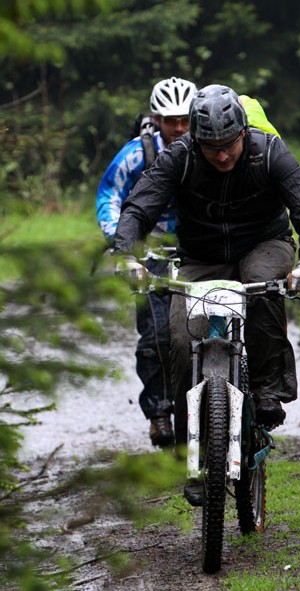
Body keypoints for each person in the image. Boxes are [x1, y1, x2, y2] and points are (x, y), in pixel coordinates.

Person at [114, 84, 300, 502]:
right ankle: (189, 452)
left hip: (264, 244)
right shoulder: (179, 157)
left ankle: (268, 389)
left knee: (263, 287)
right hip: (200, 256)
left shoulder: (269, 151)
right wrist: (126, 255)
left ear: (242, 134)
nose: (220, 155)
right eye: (210, 146)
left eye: (228, 145)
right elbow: (139, 207)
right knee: (179, 338)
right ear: (196, 139)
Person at [96, 76, 197, 448]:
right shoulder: (135, 155)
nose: (179, 127)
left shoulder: (208, 147)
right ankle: (158, 411)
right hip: (149, 253)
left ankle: (212, 406)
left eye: (185, 118)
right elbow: (110, 195)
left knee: (203, 329)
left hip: (196, 251)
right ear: (156, 118)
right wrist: (117, 239)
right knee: (155, 336)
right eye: (171, 120)